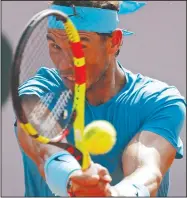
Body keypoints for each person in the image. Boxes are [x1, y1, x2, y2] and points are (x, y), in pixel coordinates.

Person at [14, 1, 186, 197]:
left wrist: (115, 195)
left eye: (79, 46)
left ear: (114, 41)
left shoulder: (160, 101)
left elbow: (146, 170)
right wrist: (72, 179)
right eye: (55, 45)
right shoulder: (35, 93)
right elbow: (45, 151)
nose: (64, 64)